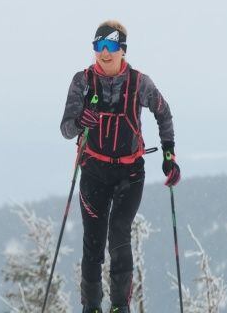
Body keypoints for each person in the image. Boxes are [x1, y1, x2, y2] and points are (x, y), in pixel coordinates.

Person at [60, 20, 181, 313]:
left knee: (119, 231)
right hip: (93, 170)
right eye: (98, 46)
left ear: (122, 50)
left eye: (111, 46)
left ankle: (119, 307)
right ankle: (91, 307)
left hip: (129, 172)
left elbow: (164, 114)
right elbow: (65, 129)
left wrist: (169, 156)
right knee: (93, 241)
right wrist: (80, 122)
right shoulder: (83, 81)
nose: (104, 53)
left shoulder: (140, 83)